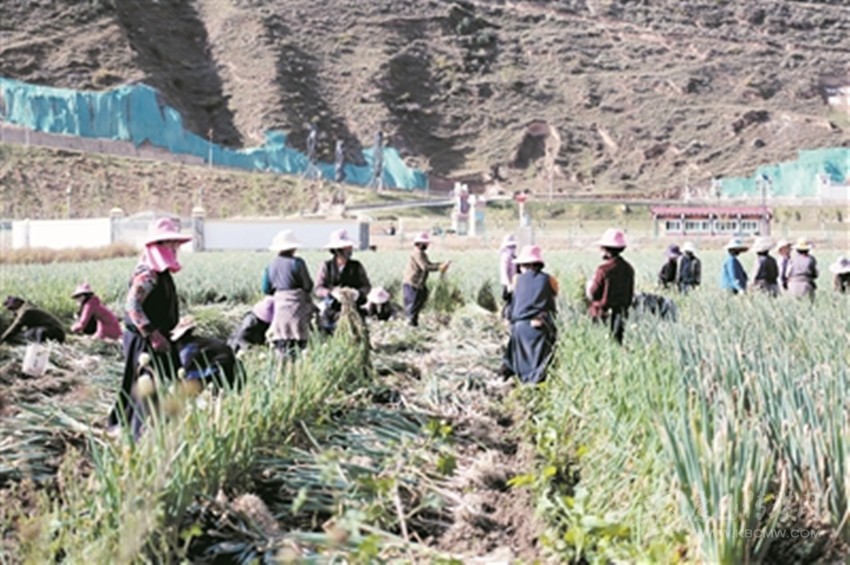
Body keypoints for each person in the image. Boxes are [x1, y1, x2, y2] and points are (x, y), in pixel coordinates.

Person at [109, 217, 191, 432]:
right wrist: (153, 335)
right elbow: (132, 305)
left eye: (176, 243)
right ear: (158, 245)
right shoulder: (148, 274)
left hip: (155, 336)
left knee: (158, 381)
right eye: (171, 243)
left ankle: (152, 426)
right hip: (144, 339)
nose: (175, 248)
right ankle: (139, 432)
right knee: (145, 385)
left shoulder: (159, 273)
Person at [502, 245, 558, 384]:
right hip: (541, 325)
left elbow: (511, 298)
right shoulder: (549, 279)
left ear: (526, 265)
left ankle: (517, 377)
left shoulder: (516, 279)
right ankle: (537, 380)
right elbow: (554, 295)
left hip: (519, 326)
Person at [262, 230, 316, 359]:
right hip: (297, 309)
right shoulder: (297, 263)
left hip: (280, 310)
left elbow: (266, 289)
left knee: (282, 346)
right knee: (299, 347)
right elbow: (308, 285)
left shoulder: (270, 266)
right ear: (293, 248)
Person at [315, 229, 371, 334]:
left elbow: (366, 286)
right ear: (338, 250)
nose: (350, 250)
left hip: (354, 308)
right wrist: (331, 293)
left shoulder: (356, 266)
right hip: (332, 309)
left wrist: (358, 293)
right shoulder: (326, 266)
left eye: (350, 247)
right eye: (347, 248)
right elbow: (318, 288)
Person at [587, 228, 635, 344]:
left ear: (606, 249)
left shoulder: (603, 270)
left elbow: (594, 293)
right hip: (622, 314)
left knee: (601, 344)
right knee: (617, 343)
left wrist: (589, 286)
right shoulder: (628, 269)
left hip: (602, 314)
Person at [171, 316, 240, 391]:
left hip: (220, 372)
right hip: (234, 370)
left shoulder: (188, 350)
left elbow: (187, 372)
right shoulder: (203, 341)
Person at [402, 231, 450, 327]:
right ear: (419, 244)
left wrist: (440, 264)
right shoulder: (418, 253)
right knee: (413, 305)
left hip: (418, 284)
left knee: (420, 300)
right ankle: (409, 324)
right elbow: (425, 267)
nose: (427, 245)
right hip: (413, 283)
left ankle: (413, 324)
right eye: (425, 243)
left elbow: (429, 264)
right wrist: (439, 267)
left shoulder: (421, 254)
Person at [0, 296, 65, 344]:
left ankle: (40, 347)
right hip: (52, 330)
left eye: (12, 309)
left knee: (31, 333)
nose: (13, 312)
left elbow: (15, 328)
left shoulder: (26, 311)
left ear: (18, 303)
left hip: (54, 332)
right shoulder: (27, 308)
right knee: (27, 334)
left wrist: (2, 339)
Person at [499, 234, 518, 319]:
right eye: (510, 246)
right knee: (509, 300)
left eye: (513, 246)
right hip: (508, 282)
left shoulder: (512, 256)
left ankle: (507, 315)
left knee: (512, 300)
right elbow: (504, 271)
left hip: (513, 281)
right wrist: (508, 284)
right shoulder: (505, 256)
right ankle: (505, 315)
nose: (512, 248)